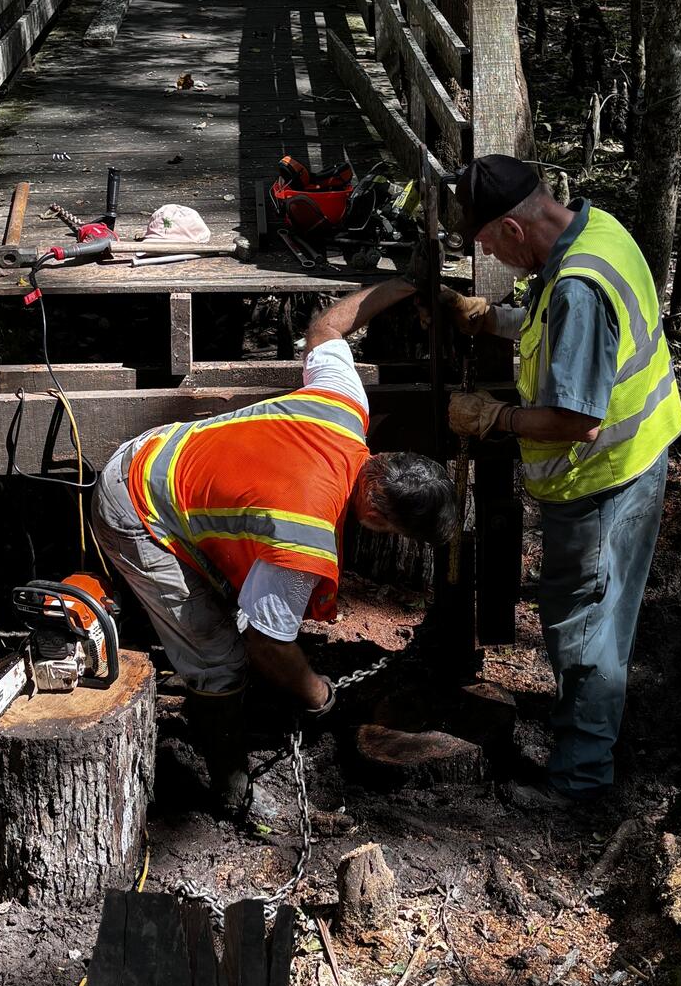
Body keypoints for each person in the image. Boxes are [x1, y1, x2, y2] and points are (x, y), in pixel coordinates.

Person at [92, 275, 455, 806]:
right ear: (377, 514)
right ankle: (230, 790)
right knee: (217, 657)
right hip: (134, 506)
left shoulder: (344, 406)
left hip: (161, 457)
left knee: (225, 616)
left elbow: (328, 327)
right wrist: (318, 695)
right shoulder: (303, 535)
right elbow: (266, 642)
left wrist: (400, 287)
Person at [444, 156, 681, 804]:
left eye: (489, 242)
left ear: (515, 230)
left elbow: (577, 417)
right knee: (594, 616)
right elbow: (566, 334)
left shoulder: (578, 285)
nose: (490, 253)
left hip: (602, 479)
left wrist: (496, 417)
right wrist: (494, 319)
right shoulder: (596, 230)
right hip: (636, 457)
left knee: (584, 626)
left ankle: (578, 780)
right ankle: (586, 736)